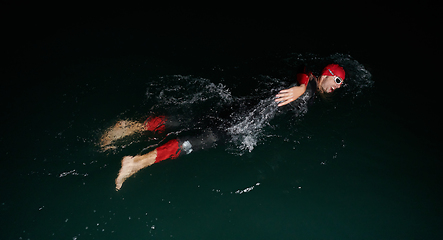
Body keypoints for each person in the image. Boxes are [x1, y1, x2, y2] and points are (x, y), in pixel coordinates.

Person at [100, 64, 346, 190]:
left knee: (194, 120)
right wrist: (303, 89)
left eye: (341, 84)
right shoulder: (311, 87)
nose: (337, 86)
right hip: (248, 114)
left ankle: (134, 127)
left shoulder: (311, 80)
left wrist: (303, 86)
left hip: (245, 105)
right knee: (204, 139)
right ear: (327, 73)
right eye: (336, 80)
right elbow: (306, 76)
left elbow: (304, 69)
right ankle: (135, 163)